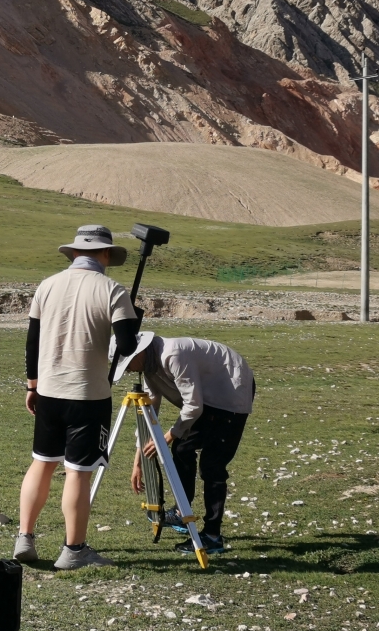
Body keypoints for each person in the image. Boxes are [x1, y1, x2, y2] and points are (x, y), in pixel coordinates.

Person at [15, 225, 139, 570]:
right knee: (78, 472)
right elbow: (127, 345)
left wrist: (32, 386)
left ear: (73, 252)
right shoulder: (112, 290)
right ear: (105, 254)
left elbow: (32, 341)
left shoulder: (47, 285)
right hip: (88, 395)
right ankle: (74, 549)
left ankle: (25, 537)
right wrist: (131, 320)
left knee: (42, 462)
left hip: (48, 390)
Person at [113, 332, 254, 555]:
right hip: (205, 400)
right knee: (182, 448)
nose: (129, 370)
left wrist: (168, 436)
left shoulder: (173, 355)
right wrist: (137, 462)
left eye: (128, 365)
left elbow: (193, 405)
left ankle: (212, 536)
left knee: (212, 466)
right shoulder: (149, 367)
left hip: (231, 392)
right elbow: (149, 413)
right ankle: (181, 511)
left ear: (138, 353)